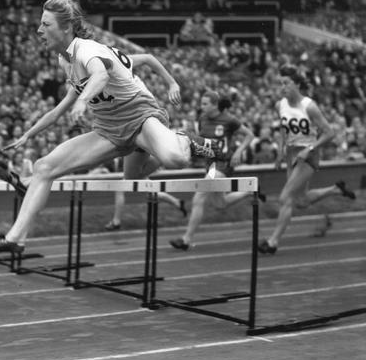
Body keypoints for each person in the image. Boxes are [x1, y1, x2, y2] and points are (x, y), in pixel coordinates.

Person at [0, 0, 224, 254]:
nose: (39, 30)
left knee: (175, 159)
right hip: (109, 129)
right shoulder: (65, 60)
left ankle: (185, 140)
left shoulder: (88, 50)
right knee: (45, 167)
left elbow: (100, 76)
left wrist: (84, 101)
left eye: (46, 24)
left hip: (139, 116)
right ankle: (15, 239)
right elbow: (59, 110)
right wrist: (28, 134)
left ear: (67, 27)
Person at [258, 65, 356, 254]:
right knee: (301, 201)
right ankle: (336, 189)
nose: (283, 87)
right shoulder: (280, 105)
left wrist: (310, 148)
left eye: (286, 83)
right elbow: (283, 129)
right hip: (291, 153)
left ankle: (272, 242)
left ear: (297, 84)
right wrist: (280, 151)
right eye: (280, 84)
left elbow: (330, 133)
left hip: (308, 154)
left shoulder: (309, 106)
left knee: (285, 197)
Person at [104, 52, 189, 231]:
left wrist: (172, 82)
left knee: (127, 181)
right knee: (137, 179)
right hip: (144, 122)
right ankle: (175, 198)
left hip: (142, 123)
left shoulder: (111, 65)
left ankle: (116, 221)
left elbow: (149, 58)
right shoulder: (107, 74)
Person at [169, 90, 259, 250]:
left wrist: (239, 152)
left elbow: (249, 135)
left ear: (215, 105)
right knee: (220, 204)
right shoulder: (202, 119)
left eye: (205, 104)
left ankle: (186, 240)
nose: (201, 106)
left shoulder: (229, 120)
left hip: (224, 164)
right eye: (201, 103)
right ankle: (248, 192)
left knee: (199, 197)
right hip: (210, 165)